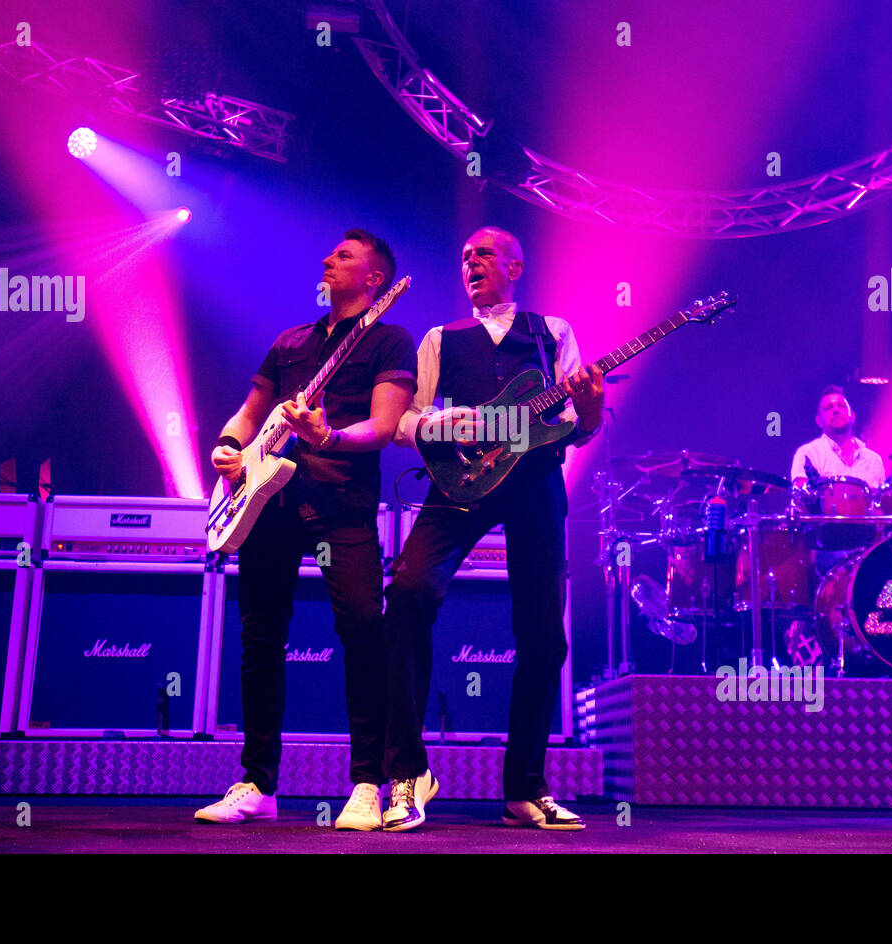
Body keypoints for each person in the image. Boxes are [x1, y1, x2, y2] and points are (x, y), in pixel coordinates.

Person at [380, 226, 604, 832]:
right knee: (406, 591)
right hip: (460, 483)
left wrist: (590, 409)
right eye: (463, 258)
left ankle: (525, 788)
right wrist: (442, 425)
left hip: (534, 482)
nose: (470, 263)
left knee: (542, 633)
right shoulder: (439, 339)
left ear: (515, 264)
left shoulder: (552, 333)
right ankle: (405, 773)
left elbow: (579, 428)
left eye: (482, 254)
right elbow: (403, 423)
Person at [194, 229, 416, 831]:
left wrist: (329, 438)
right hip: (267, 503)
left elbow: (384, 425)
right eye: (330, 253)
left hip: (341, 504)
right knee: (260, 637)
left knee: (363, 632)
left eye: (343, 256)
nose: (327, 259)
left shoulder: (391, 338)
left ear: (376, 280)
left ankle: (369, 782)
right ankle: (257, 783)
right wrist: (227, 445)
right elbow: (249, 411)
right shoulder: (290, 340)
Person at [790, 385, 886, 490]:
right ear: (819, 421)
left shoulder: (873, 459)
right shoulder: (807, 453)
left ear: (852, 416)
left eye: (841, 406)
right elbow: (801, 496)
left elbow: (881, 502)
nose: (836, 410)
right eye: (828, 408)